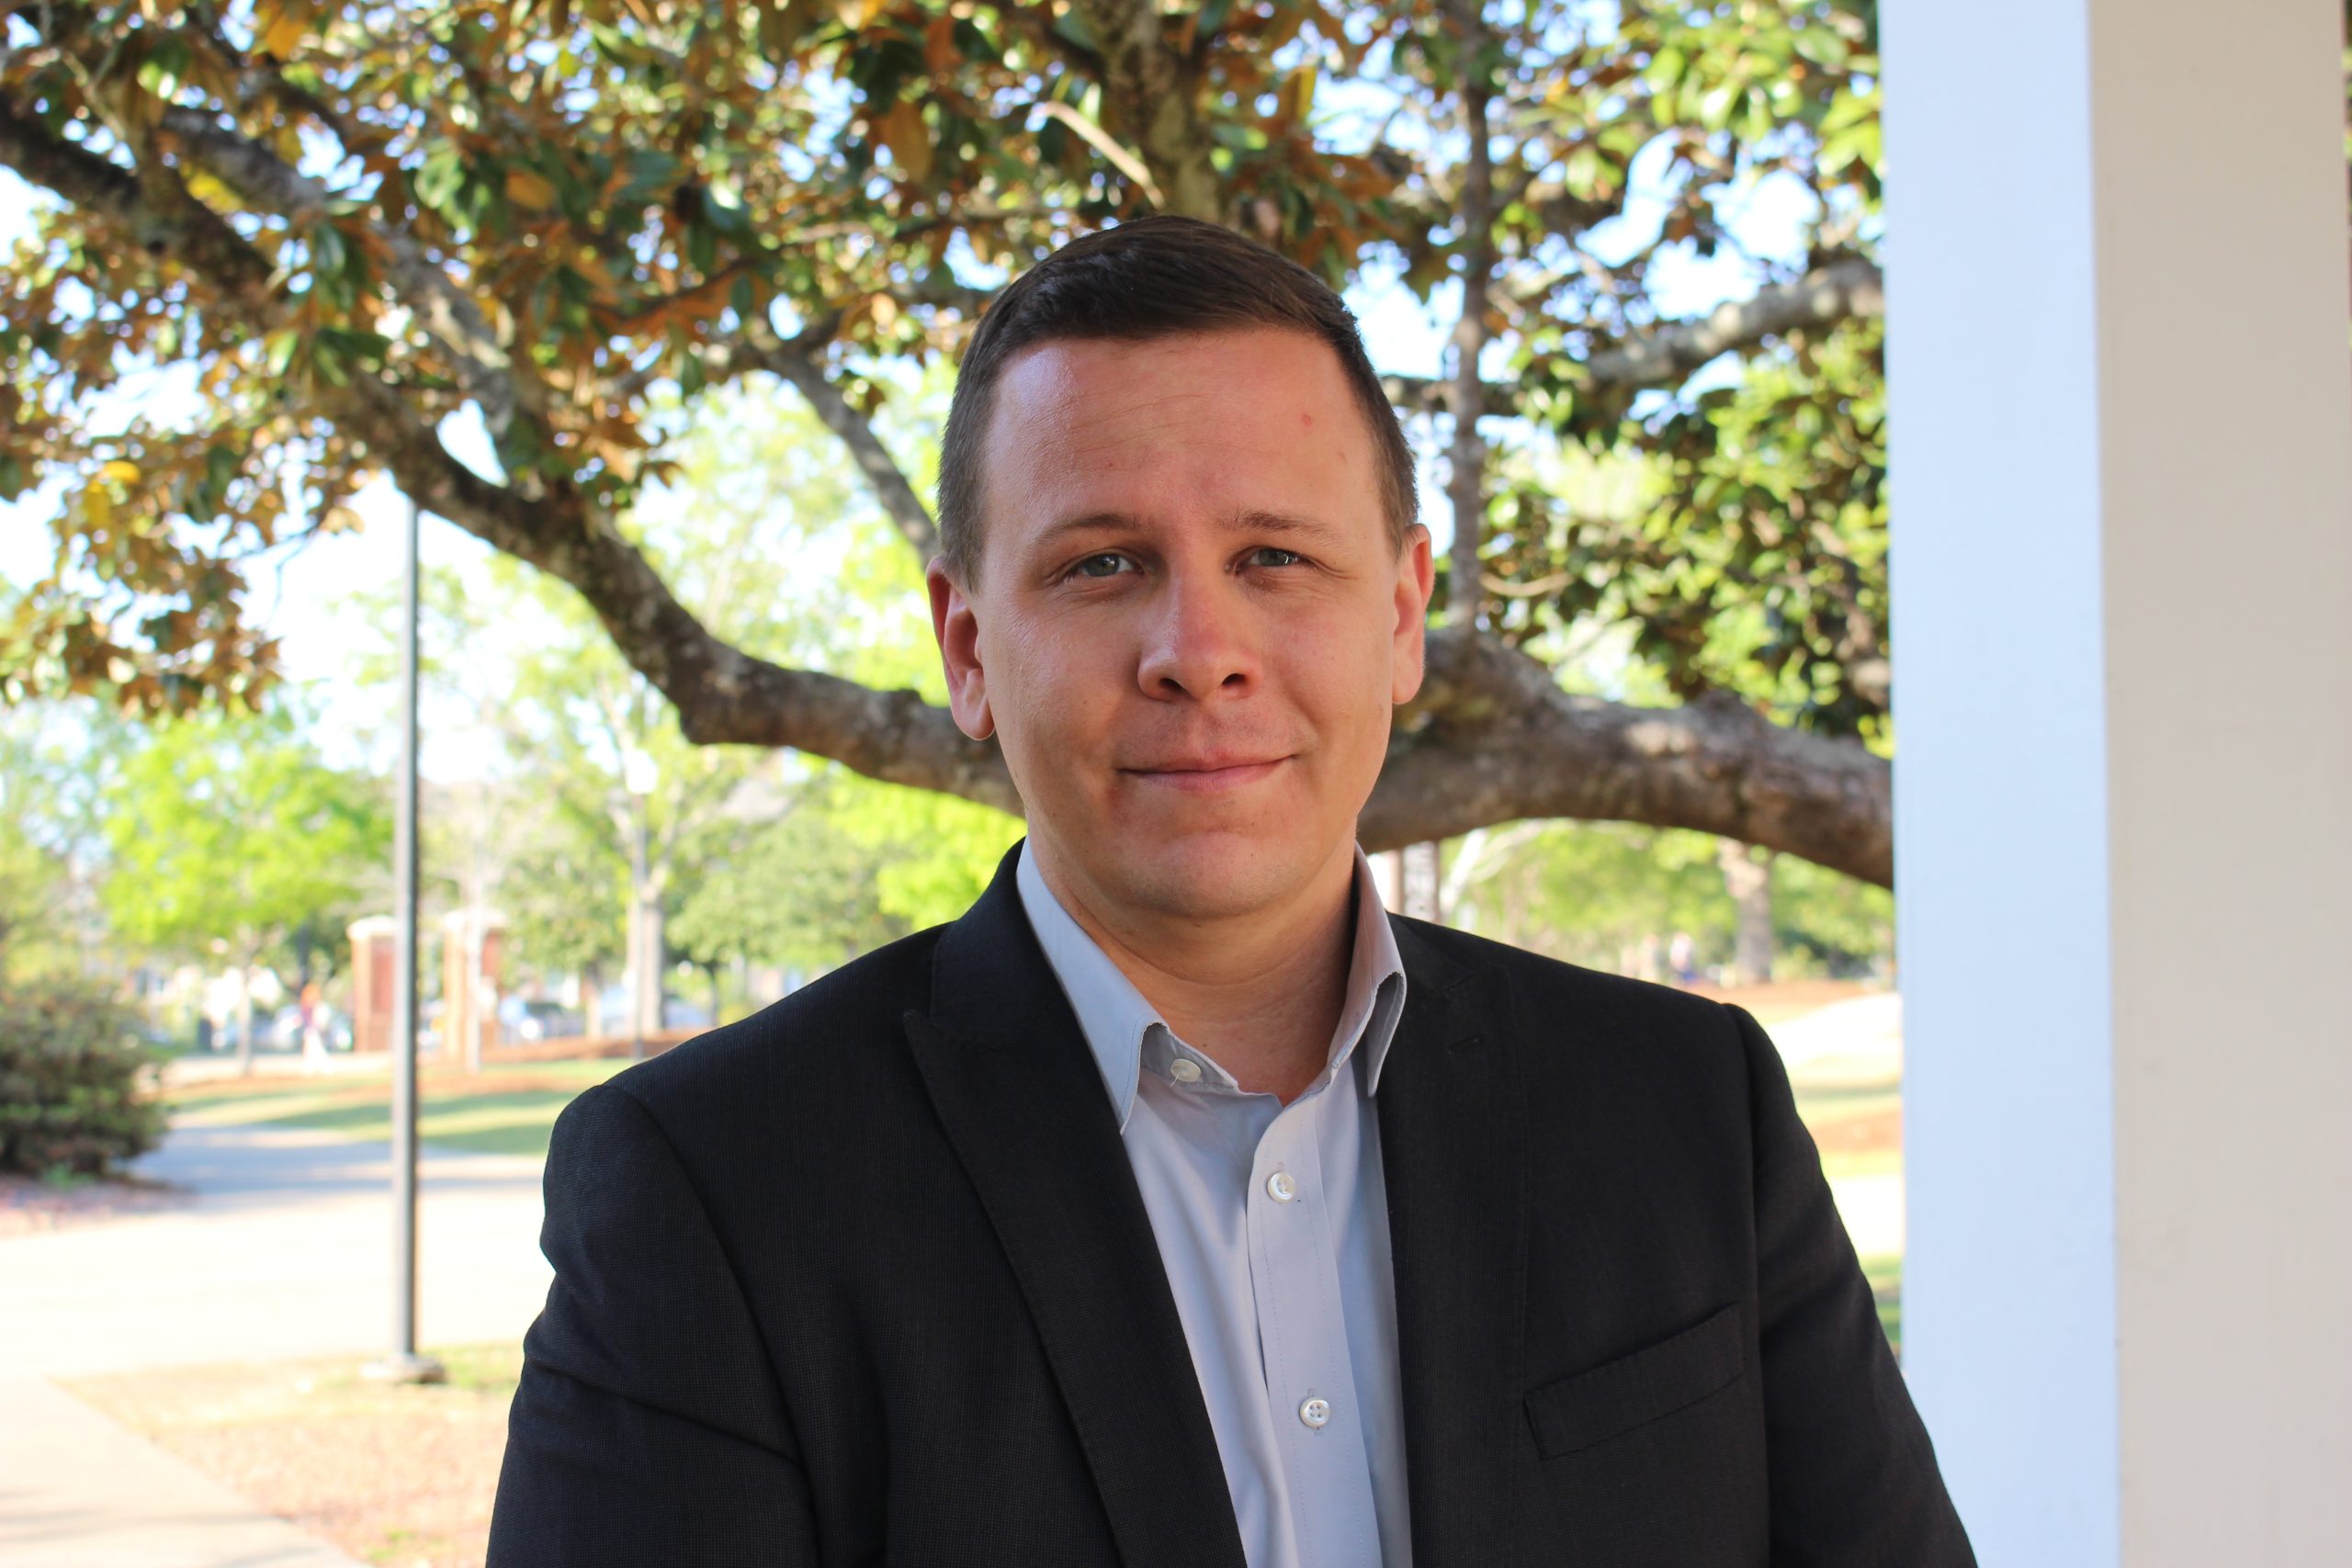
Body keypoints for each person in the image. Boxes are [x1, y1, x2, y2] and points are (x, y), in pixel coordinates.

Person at [488, 217, 1973, 1566]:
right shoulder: (714, 1190)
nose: (1199, 648)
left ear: (1401, 617)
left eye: (1273, 555)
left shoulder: (1683, 1109)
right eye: (1102, 565)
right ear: (965, 645)